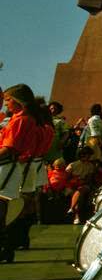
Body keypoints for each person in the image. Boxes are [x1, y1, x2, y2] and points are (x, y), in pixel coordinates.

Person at [1, 84, 44, 260]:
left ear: (18, 101)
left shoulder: (20, 120)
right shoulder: (23, 119)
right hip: (12, 167)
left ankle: (6, 247)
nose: (6, 104)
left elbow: (9, 149)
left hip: (6, 168)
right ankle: (8, 247)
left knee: (2, 211)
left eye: (8, 100)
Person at [66, 147, 99, 224]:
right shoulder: (72, 165)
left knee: (80, 190)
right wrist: (75, 180)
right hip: (72, 185)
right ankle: (76, 215)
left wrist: (82, 180)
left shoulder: (90, 166)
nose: (89, 157)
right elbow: (66, 178)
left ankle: (72, 209)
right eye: (88, 155)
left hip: (84, 185)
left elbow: (89, 179)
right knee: (78, 193)